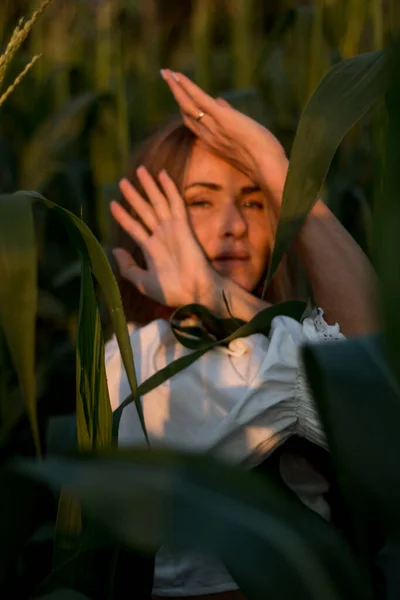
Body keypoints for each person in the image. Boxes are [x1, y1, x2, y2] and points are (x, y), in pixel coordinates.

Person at [105, 70, 376, 599]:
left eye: (256, 202)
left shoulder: (280, 335)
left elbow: (378, 378)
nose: (233, 223)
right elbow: (366, 389)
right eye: (201, 201)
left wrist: (282, 173)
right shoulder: (134, 360)